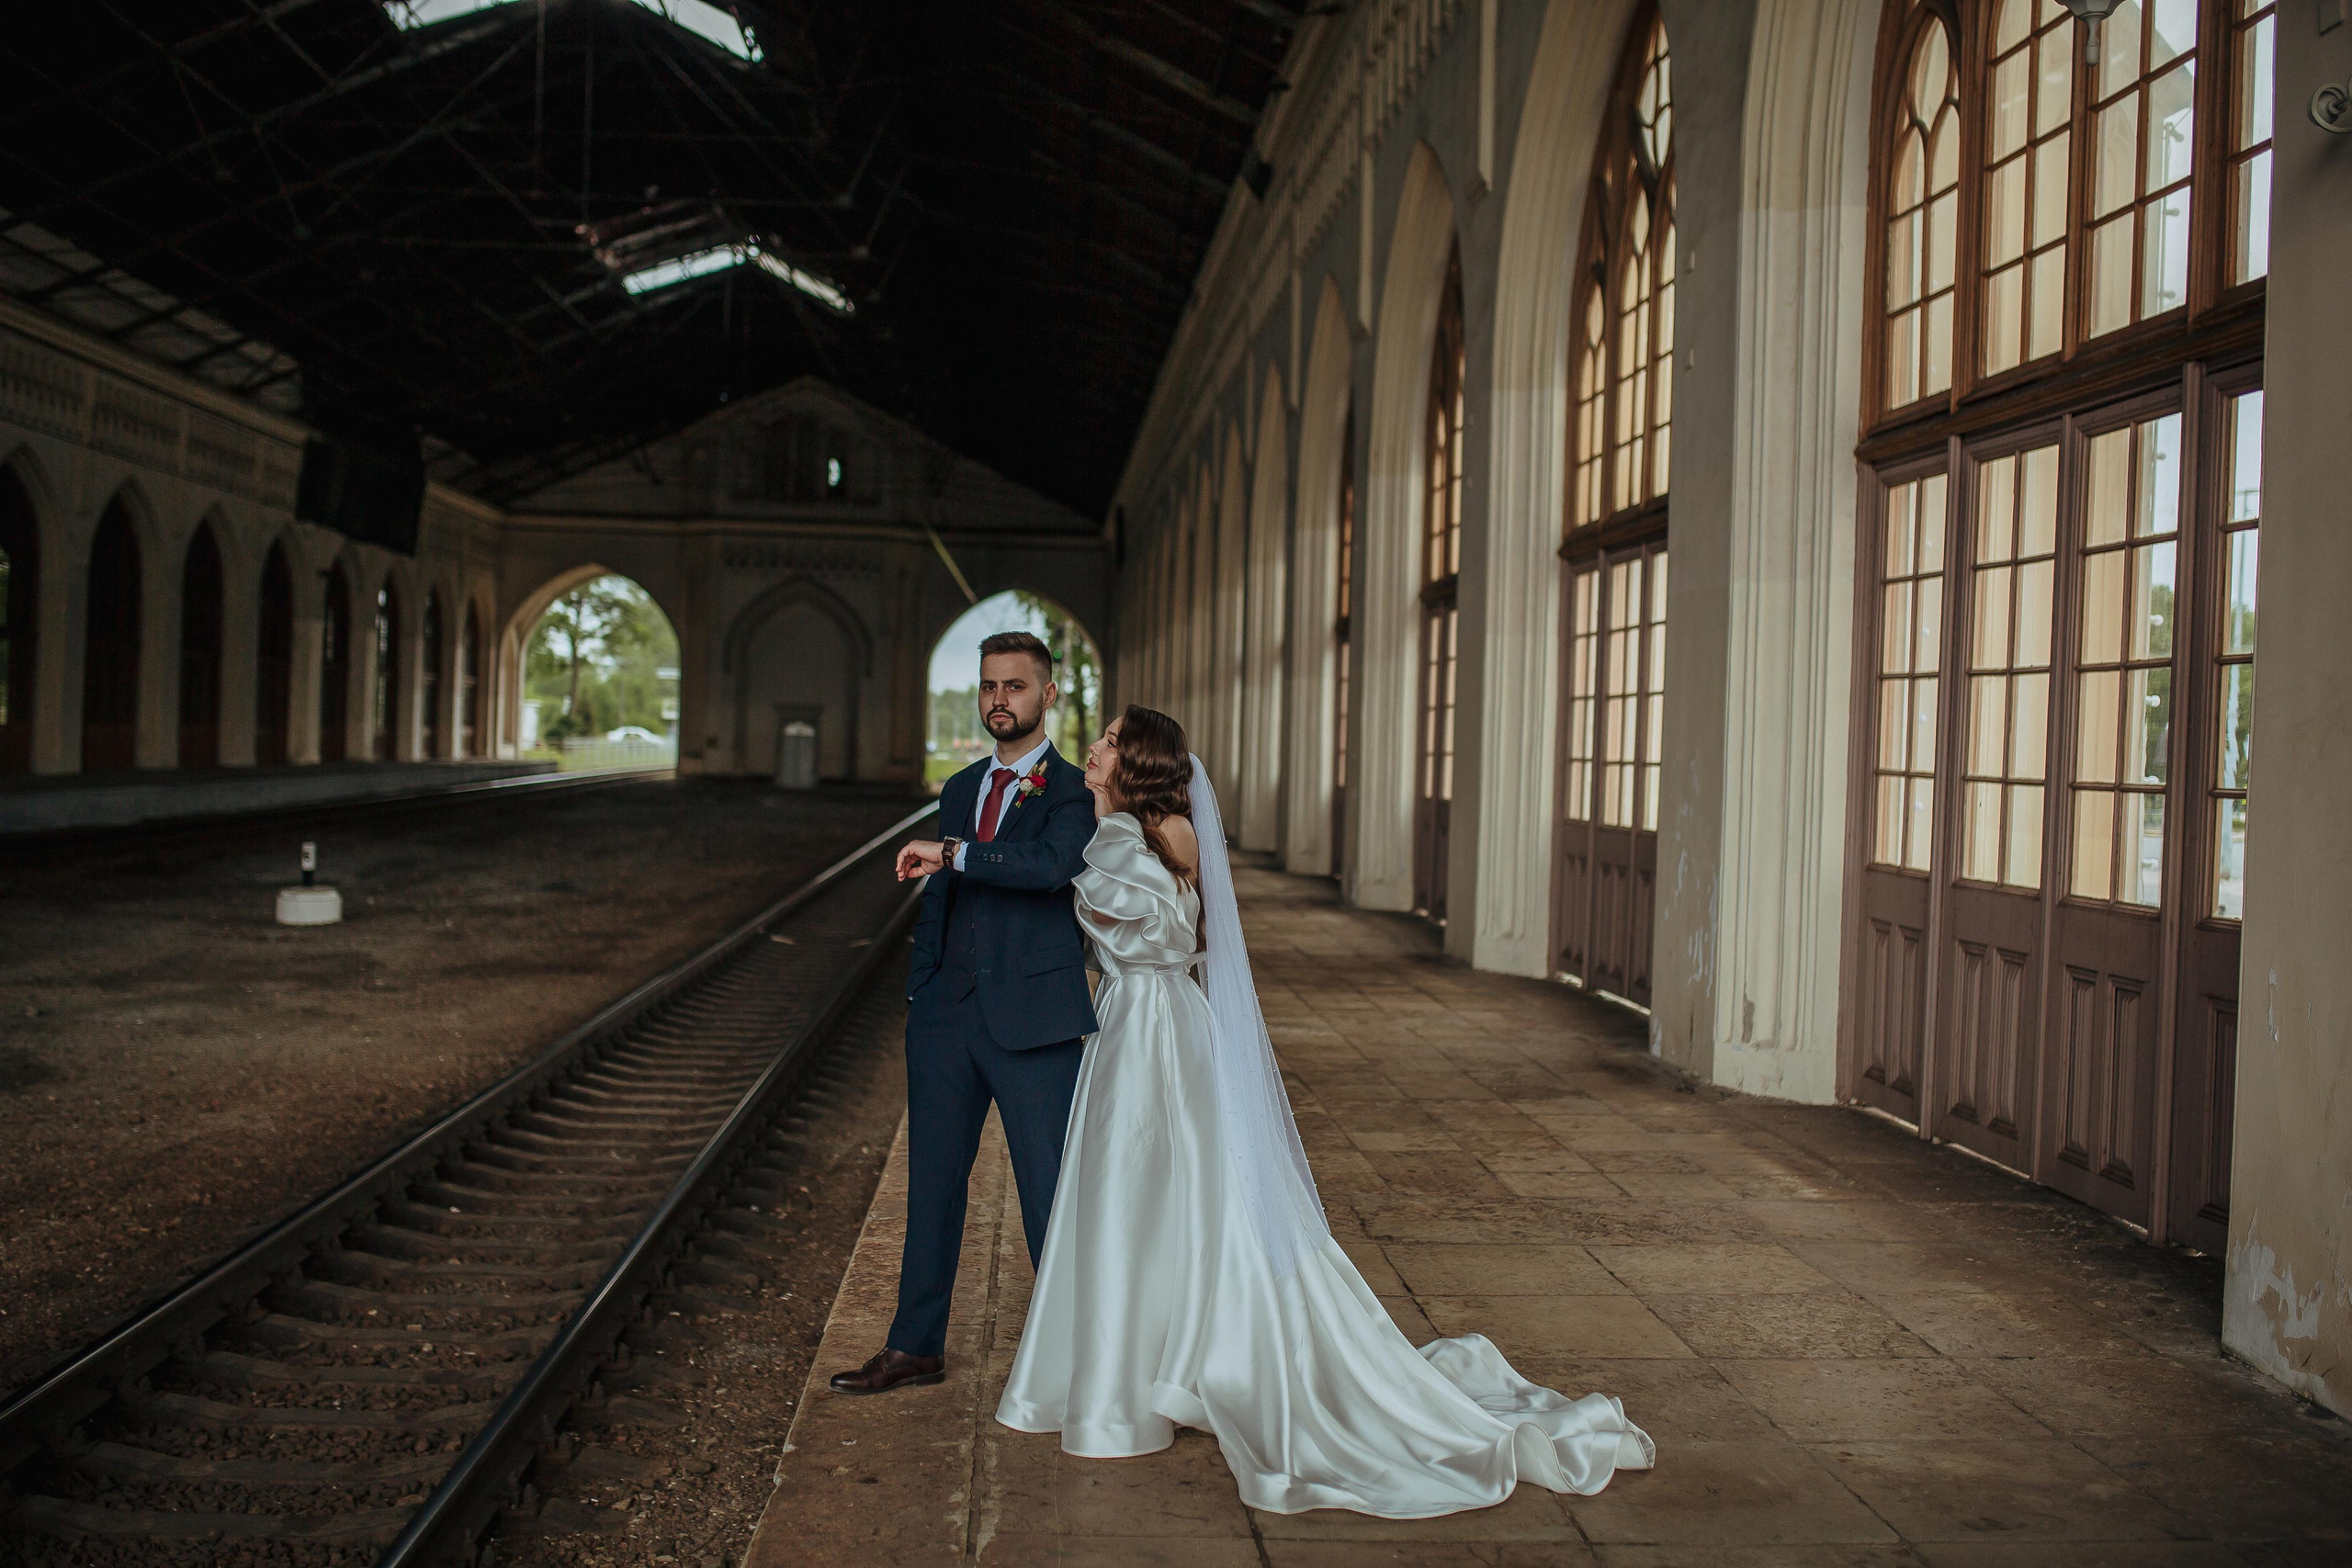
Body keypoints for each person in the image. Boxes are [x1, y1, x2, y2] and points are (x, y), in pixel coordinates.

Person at [994, 704, 1657, 1516]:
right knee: (1152, 1197)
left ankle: (1125, 1393)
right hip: (1144, 1026)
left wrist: (1094, 831)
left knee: (1139, 1195)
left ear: (1137, 762)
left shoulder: (1141, 836)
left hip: (1151, 1031)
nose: (1093, 749)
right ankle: (1138, 1367)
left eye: (1108, 742)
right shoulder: (1138, 832)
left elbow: (1146, 935)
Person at [827, 630, 1098, 1395]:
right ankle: (914, 1345)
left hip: (1034, 1019)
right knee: (933, 1186)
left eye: (1014, 685)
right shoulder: (959, 787)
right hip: (946, 1017)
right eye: (987, 685)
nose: (998, 700)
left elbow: (1050, 868)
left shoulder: (1075, 791)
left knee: (1050, 1192)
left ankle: (1078, 1357)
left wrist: (953, 853)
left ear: (1048, 695)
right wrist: (923, 993)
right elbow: (940, 903)